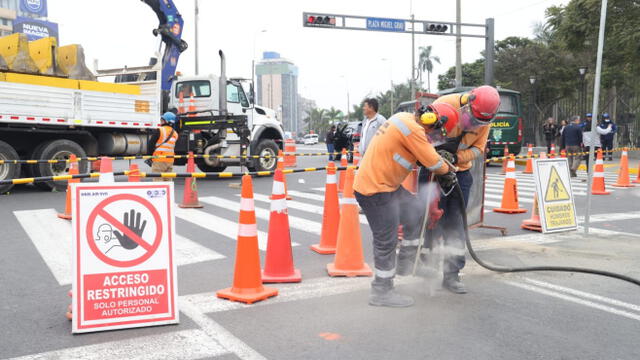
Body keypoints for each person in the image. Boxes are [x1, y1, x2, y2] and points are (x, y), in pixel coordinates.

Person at [397, 85, 499, 294]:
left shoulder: (485, 120)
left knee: (456, 223)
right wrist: (436, 158)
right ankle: (428, 266)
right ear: (468, 103)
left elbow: (478, 149)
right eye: (474, 118)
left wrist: (457, 158)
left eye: (482, 122)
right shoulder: (443, 105)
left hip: (460, 173)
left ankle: (452, 275)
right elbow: (422, 136)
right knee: (432, 220)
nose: (476, 125)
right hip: (433, 169)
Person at [354, 108, 452, 308]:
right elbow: (432, 161)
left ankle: (407, 263)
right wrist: (448, 169)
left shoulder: (403, 118)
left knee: (415, 211)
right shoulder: (413, 129)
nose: (431, 136)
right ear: (427, 121)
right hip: (375, 189)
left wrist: (433, 157)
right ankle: (382, 290)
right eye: (432, 131)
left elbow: (416, 153)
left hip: (387, 186)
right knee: (386, 239)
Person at [151, 112, 179, 182]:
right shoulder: (175, 133)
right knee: (168, 180)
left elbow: (150, 144)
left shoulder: (160, 130)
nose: (161, 121)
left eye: (162, 120)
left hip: (159, 159)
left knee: (158, 180)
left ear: (166, 121)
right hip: (170, 160)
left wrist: (150, 156)